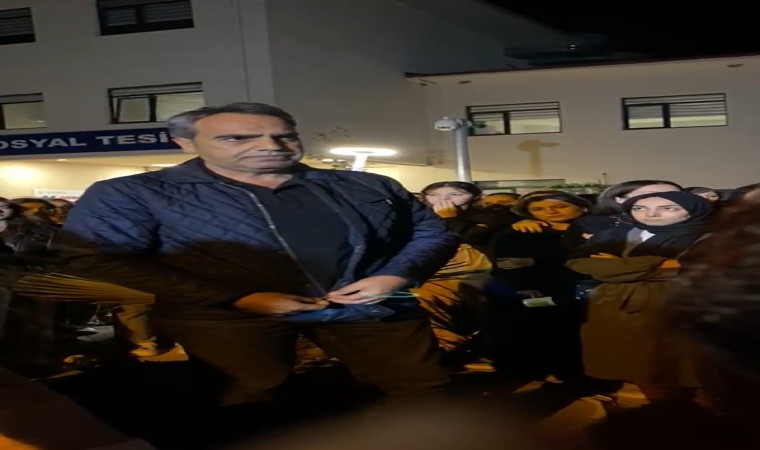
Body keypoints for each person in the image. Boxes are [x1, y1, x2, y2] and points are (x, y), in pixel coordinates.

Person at [58, 102, 460, 406]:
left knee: (420, 388)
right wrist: (237, 297)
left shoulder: (366, 185)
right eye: (236, 138)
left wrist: (395, 277)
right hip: (226, 318)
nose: (270, 146)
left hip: (370, 307)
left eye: (284, 136)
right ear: (185, 143)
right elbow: (93, 256)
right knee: (252, 397)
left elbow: (432, 234)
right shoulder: (132, 193)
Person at [567, 192, 713, 403]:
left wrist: (618, 265)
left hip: (681, 308)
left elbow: (703, 269)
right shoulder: (618, 233)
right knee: (645, 369)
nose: (651, 214)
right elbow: (579, 262)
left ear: (693, 211)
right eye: (639, 208)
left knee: (688, 370)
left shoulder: (715, 237)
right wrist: (661, 264)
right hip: (621, 310)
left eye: (668, 208)